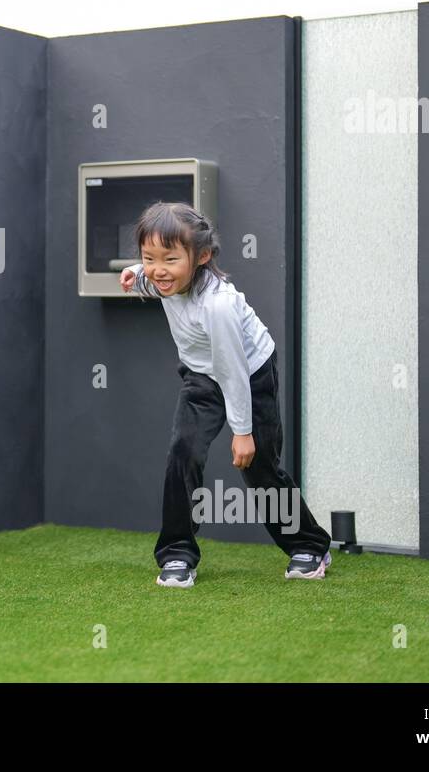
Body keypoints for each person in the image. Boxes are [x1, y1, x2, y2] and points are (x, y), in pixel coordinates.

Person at [119, 201, 332, 588]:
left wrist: (243, 431)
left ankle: (310, 545)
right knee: (183, 452)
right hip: (201, 375)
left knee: (259, 465)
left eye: (169, 258)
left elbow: (233, 371)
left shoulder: (217, 306)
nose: (158, 269)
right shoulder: (165, 278)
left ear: (202, 257)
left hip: (249, 372)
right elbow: (156, 278)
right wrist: (137, 273)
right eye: (149, 257)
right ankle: (177, 553)